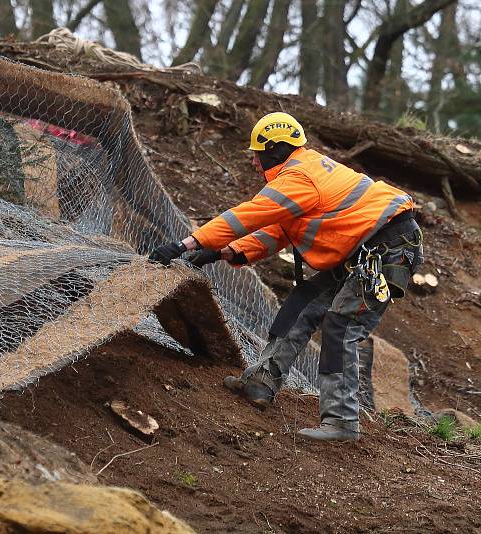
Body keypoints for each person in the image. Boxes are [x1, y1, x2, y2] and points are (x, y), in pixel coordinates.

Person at [148, 112, 423, 442]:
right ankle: (261, 382)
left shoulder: (299, 177)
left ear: (272, 150)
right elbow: (278, 230)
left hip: (386, 250)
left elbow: (248, 215)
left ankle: (342, 422)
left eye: (256, 153)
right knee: (302, 304)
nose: (253, 162)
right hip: (365, 250)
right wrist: (226, 251)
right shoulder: (303, 172)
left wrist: (186, 244)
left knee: (342, 325)